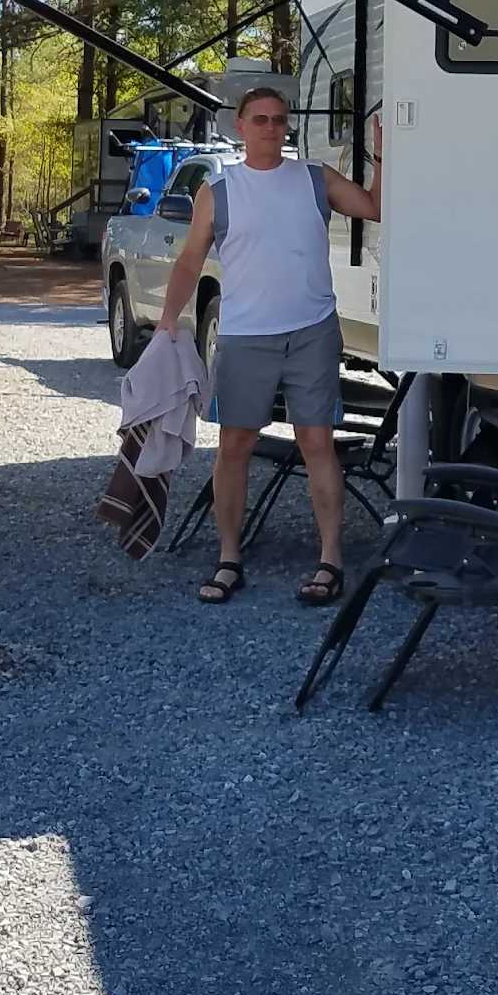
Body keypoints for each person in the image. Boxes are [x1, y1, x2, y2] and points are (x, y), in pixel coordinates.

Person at [155, 85, 384, 606]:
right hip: (244, 335)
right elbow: (190, 260)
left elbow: (374, 208)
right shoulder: (219, 190)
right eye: (260, 119)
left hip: (312, 331)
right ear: (240, 126)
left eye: (279, 120)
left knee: (317, 442)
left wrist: (382, 156)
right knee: (235, 445)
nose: (271, 128)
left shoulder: (314, 178)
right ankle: (228, 557)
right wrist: (169, 320)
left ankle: (330, 562)